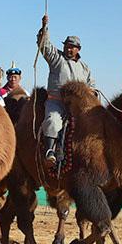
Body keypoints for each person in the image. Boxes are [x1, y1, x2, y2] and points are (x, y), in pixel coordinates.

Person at [37, 14, 95, 166]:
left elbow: (91, 85)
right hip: (57, 103)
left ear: (78, 49)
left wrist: (92, 93)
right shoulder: (56, 59)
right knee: (53, 121)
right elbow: (44, 45)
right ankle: (49, 151)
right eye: (67, 46)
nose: (69, 49)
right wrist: (44, 28)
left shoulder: (84, 68)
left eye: (72, 47)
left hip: (77, 106)